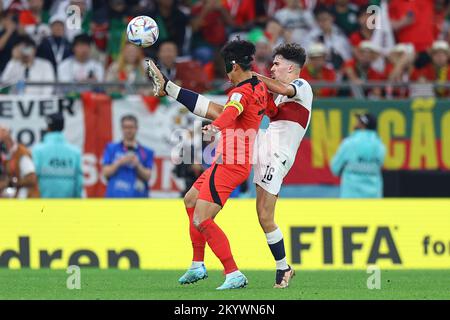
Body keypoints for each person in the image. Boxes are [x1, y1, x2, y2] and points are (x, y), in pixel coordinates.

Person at [147, 39, 269, 290]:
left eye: (227, 67)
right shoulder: (257, 86)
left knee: (202, 220)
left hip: (229, 163)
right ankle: (197, 265)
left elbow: (228, 112)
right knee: (190, 201)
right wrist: (170, 88)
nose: (226, 73)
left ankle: (233, 273)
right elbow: (212, 108)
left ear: (234, 65)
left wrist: (216, 126)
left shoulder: (239, 93)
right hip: (231, 162)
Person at [251, 43, 313, 288]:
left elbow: (280, 87)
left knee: (267, 216)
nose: (273, 68)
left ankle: (283, 268)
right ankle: (284, 267)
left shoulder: (301, 86)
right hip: (265, 149)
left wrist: (253, 76)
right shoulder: (279, 94)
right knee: (262, 216)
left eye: (276, 64)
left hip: (278, 155)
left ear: (290, 67)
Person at [330, 113, 386, 198]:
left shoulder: (349, 143)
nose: (355, 123)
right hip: (373, 197)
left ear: (363, 125)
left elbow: (335, 167)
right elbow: (380, 165)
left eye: (358, 121)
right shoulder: (380, 145)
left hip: (351, 197)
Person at [32, 113, 83, 198]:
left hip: (43, 207)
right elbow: (79, 183)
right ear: (63, 128)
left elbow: (33, 179)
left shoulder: (38, 150)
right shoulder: (75, 152)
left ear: (48, 128)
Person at [101, 115, 154, 198]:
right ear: (121, 128)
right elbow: (105, 173)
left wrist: (137, 165)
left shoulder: (146, 151)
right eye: (126, 127)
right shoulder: (111, 148)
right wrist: (120, 162)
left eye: (131, 127)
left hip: (138, 201)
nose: (128, 130)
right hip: (114, 200)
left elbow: (148, 176)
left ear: (136, 128)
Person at [0, 126, 39, 198]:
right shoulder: (8, 156)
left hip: (27, 199)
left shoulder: (21, 154)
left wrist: (11, 183)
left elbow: (32, 179)